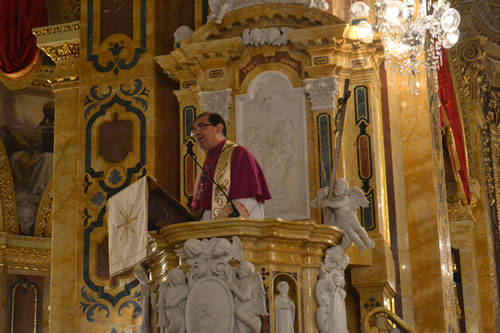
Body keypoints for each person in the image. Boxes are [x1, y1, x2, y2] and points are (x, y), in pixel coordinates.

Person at [190, 112, 271, 220]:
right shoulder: (206, 164)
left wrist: (217, 224)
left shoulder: (238, 153)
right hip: (209, 232)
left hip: (234, 230)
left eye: (201, 126)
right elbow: (203, 208)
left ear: (218, 129)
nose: (196, 133)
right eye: (194, 130)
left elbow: (246, 199)